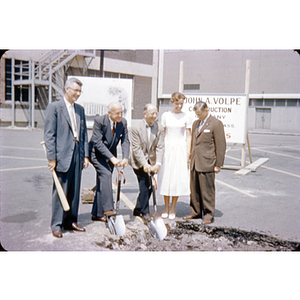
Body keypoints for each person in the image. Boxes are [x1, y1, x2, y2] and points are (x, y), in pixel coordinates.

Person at [44, 77, 89, 238]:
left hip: (77, 152)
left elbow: (83, 134)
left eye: (80, 91)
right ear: (67, 89)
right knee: (60, 190)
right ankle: (56, 224)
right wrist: (51, 157)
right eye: (75, 90)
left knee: (75, 189)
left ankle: (71, 220)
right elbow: (49, 134)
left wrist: (85, 155)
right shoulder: (54, 107)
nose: (78, 94)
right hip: (61, 153)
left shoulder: (80, 110)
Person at [183, 101, 226, 224]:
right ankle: (195, 212)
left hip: (207, 163)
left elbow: (221, 145)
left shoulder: (216, 124)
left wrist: (218, 164)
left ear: (207, 110)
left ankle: (208, 214)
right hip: (195, 162)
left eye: (200, 114)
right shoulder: (196, 123)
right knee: (194, 189)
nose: (198, 116)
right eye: (197, 114)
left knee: (207, 190)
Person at [89, 101, 129, 222]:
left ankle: (97, 213)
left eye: (121, 112)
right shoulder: (99, 121)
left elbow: (125, 141)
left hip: (111, 154)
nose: (120, 115)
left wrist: (125, 157)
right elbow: (97, 142)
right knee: (105, 175)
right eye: (117, 113)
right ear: (109, 113)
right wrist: (113, 159)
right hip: (96, 153)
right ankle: (108, 209)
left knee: (103, 181)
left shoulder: (123, 122)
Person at [158, 92, 192, 219]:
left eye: (181, 104)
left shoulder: (186, 116)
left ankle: (173, 208)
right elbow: (162, 134)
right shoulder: (166, 115)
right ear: (172, 102)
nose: (179, 106)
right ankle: (166, 207)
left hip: (180, 149)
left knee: (176, 179)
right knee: (167, 177)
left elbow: (189, 137)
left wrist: (188, 154)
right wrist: (159, 151)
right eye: (177, 103)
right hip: (167, 148)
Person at [129, 104, 164, 221]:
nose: (155, 116)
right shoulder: (135, 128)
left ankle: (138, 208)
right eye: (152, 113)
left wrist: (158, 163)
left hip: (152, 160)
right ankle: (145, 212)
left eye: (156, 113)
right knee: (145, 185)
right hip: (138, 161)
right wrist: (144, 164)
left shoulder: (160, 127)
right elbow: (136, 149)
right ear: (145, 114)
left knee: (149, 186)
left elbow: (160, 146)